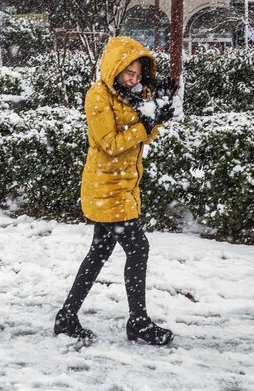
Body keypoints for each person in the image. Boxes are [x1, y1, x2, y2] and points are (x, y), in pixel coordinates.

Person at [54, 36, 176, 346]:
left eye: (138, 75)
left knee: (99, 252)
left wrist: (157, 115)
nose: (134, 81)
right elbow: (108, 144)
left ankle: (67, 316)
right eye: (128, 74)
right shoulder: (98, 96)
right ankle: (138, 323)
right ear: (114, 70)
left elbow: (143, 138)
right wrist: (146, 125)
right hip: (106, 187)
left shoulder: (133, 96)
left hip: (125, 185)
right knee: (138, 248)